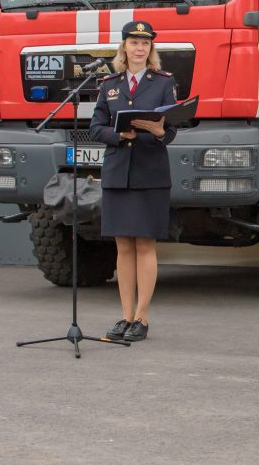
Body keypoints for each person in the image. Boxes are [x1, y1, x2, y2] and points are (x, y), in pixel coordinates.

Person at [89, 20, 178, 343]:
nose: (140, 48)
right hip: (117, 172)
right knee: (123, 246)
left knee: (145, 244)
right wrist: (117, 134)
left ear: (151, 49)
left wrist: (158, 132)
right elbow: (96, 125)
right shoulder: (109, 84)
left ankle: (142, 317)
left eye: (145, 43)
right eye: (134, 42)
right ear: (124, 47)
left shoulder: (163, 82)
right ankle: (125, 316)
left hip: (150, 171)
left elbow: (172, 126)